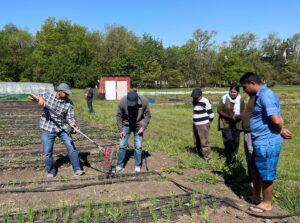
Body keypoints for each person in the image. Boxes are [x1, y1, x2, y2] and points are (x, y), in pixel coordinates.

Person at [239, 72, 292, 213]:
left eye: (244, 87)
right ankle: (256, 196)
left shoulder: (265, 96)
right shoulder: (260, 95)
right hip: (259, 141)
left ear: (252, 83)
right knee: (255, 169)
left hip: (267, 142)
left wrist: (280, 129)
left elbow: (275, 119)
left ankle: (267, 203)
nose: (244, 90)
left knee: (266, 173)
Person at [29, 83, 84, 177]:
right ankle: (51, 171)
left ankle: (77, 169)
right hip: (48, 127)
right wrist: (40, 98)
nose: (67, 95)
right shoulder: (48, 95)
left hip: (62, 127)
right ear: (59, 91)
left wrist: (74, 127)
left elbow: (70, 119)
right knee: (47, 152)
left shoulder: (69, 103)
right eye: (65, 93)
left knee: (71, 147)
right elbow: (30, 95)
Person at [116, 91, 151, 172]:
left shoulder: (144, 101)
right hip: (126, 124)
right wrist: (120, 129)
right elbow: (119, 116)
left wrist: (143, 127)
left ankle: (137, 165)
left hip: (139, 125)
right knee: (122, 145)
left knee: (138, 146)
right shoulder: (122, 101)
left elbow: (148, 115)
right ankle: (119, 165)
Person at [217, 84, 245, 163]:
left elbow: (243, 112)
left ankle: (234, 155)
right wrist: (228, 116)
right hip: (225, 121)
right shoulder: (224, 98)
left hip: (237, 122)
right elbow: (219, 110)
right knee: (228, 139)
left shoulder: (241, 100)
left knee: (236, 140)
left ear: (238, 92)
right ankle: (228, 155)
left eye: (234, 92)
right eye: (231, 92)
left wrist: (238, 117)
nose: (232, 94)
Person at [191, 88, 214, 161]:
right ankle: (200, 155)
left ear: (200, 95)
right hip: (196, 124)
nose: (194, 98)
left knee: (204, 141)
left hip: (203, 124)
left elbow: (211, 115)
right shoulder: (194, 101)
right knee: (197, 140)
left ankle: (207, 158)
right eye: (193, 96)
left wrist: (207, 123)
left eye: (196, 97)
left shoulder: (205, 101)